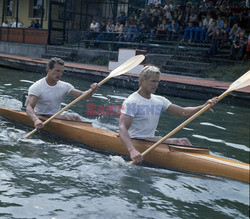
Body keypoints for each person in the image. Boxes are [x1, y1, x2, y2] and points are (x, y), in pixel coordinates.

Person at [119, 65, 217, 163]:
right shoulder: (131, 101)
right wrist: (132, 150)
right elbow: (122, 127)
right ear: (142, 81)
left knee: (184, 142)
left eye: (157, 81)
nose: (156, 85)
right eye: (153, 81)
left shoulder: (159, 100)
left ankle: (204, 162)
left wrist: (203, 106)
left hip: (149, 140)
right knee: (183, 142)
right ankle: (201, 164)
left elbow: (183, 112)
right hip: (135, 141)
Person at [26, 57, 98, 130]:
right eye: (57, 71)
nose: (59, 74)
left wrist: (91, 90)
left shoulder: (64, 86)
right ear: (48, 69)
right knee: (74, 117)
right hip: (41, 116)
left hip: (57, 116)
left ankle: (88, 132)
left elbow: (83, 96)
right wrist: (36, 120)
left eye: (61, 72)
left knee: (75, 117)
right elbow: (29, 107)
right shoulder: (37, 86)